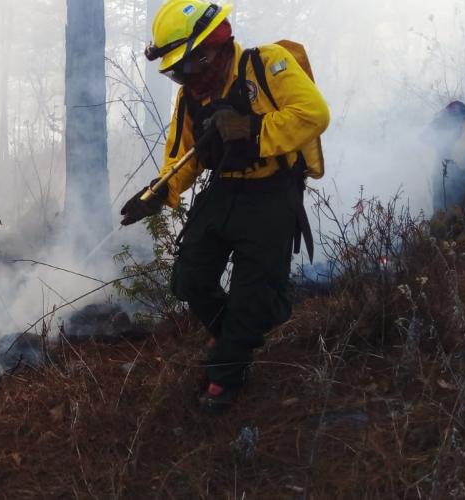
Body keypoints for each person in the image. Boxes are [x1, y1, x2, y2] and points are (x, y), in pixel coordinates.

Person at [119, 1, 330, 414]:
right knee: (189, 278)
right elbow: (185, 156)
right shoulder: (191, 98)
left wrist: (251, 132)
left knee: (253, 300)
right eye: (175, 72)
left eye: (185, 68)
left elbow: (314, 113)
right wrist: (159, 193)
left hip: (271, 194)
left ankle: (227, 376)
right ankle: (232, 333)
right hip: (223, 193)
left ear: (211, 51)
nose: (183, 79)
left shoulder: (268, 65)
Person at [427, 101, 465, 214]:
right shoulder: (462, 131)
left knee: (441, 215)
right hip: (451, 181)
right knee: (452, 218)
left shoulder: (453, 127)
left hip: (441, 177)